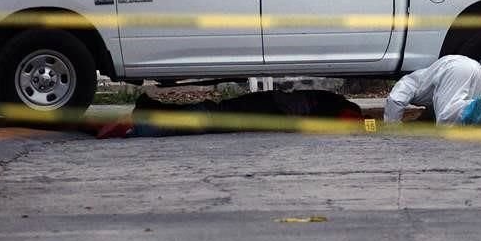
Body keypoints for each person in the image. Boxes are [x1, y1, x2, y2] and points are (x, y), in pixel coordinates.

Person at [96, 89, 364, 138]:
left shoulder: (338, 105)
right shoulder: (346, 111)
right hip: (274, 109)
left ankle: (150, 113)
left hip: (273, 106)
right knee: (214, 117)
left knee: (217, 113)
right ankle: (146, 121)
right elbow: (351, 123)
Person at [383, 55, 481, 126]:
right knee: (471, 118)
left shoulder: (407, 81)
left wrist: (391, 125)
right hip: (475, 66)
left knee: (446, 119)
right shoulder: (426, 81)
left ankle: (463, 108)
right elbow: (432, 110)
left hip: (453, 68)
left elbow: (395, 100)